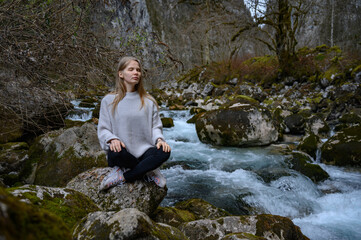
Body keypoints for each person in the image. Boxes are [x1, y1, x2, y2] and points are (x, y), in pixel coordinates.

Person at [97, 56, 171, 190]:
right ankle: (147, 169)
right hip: (122, 153)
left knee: (164, 152)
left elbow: (155, 126)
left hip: (144, 153)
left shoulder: (148, 101)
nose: (136, 72)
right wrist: (112, 139)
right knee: (115, 152)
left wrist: (160, 140)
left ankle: (124, 176)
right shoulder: (108, 100)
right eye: (131, 69)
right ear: (121, 74)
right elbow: (103, 129)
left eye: (138, 70)